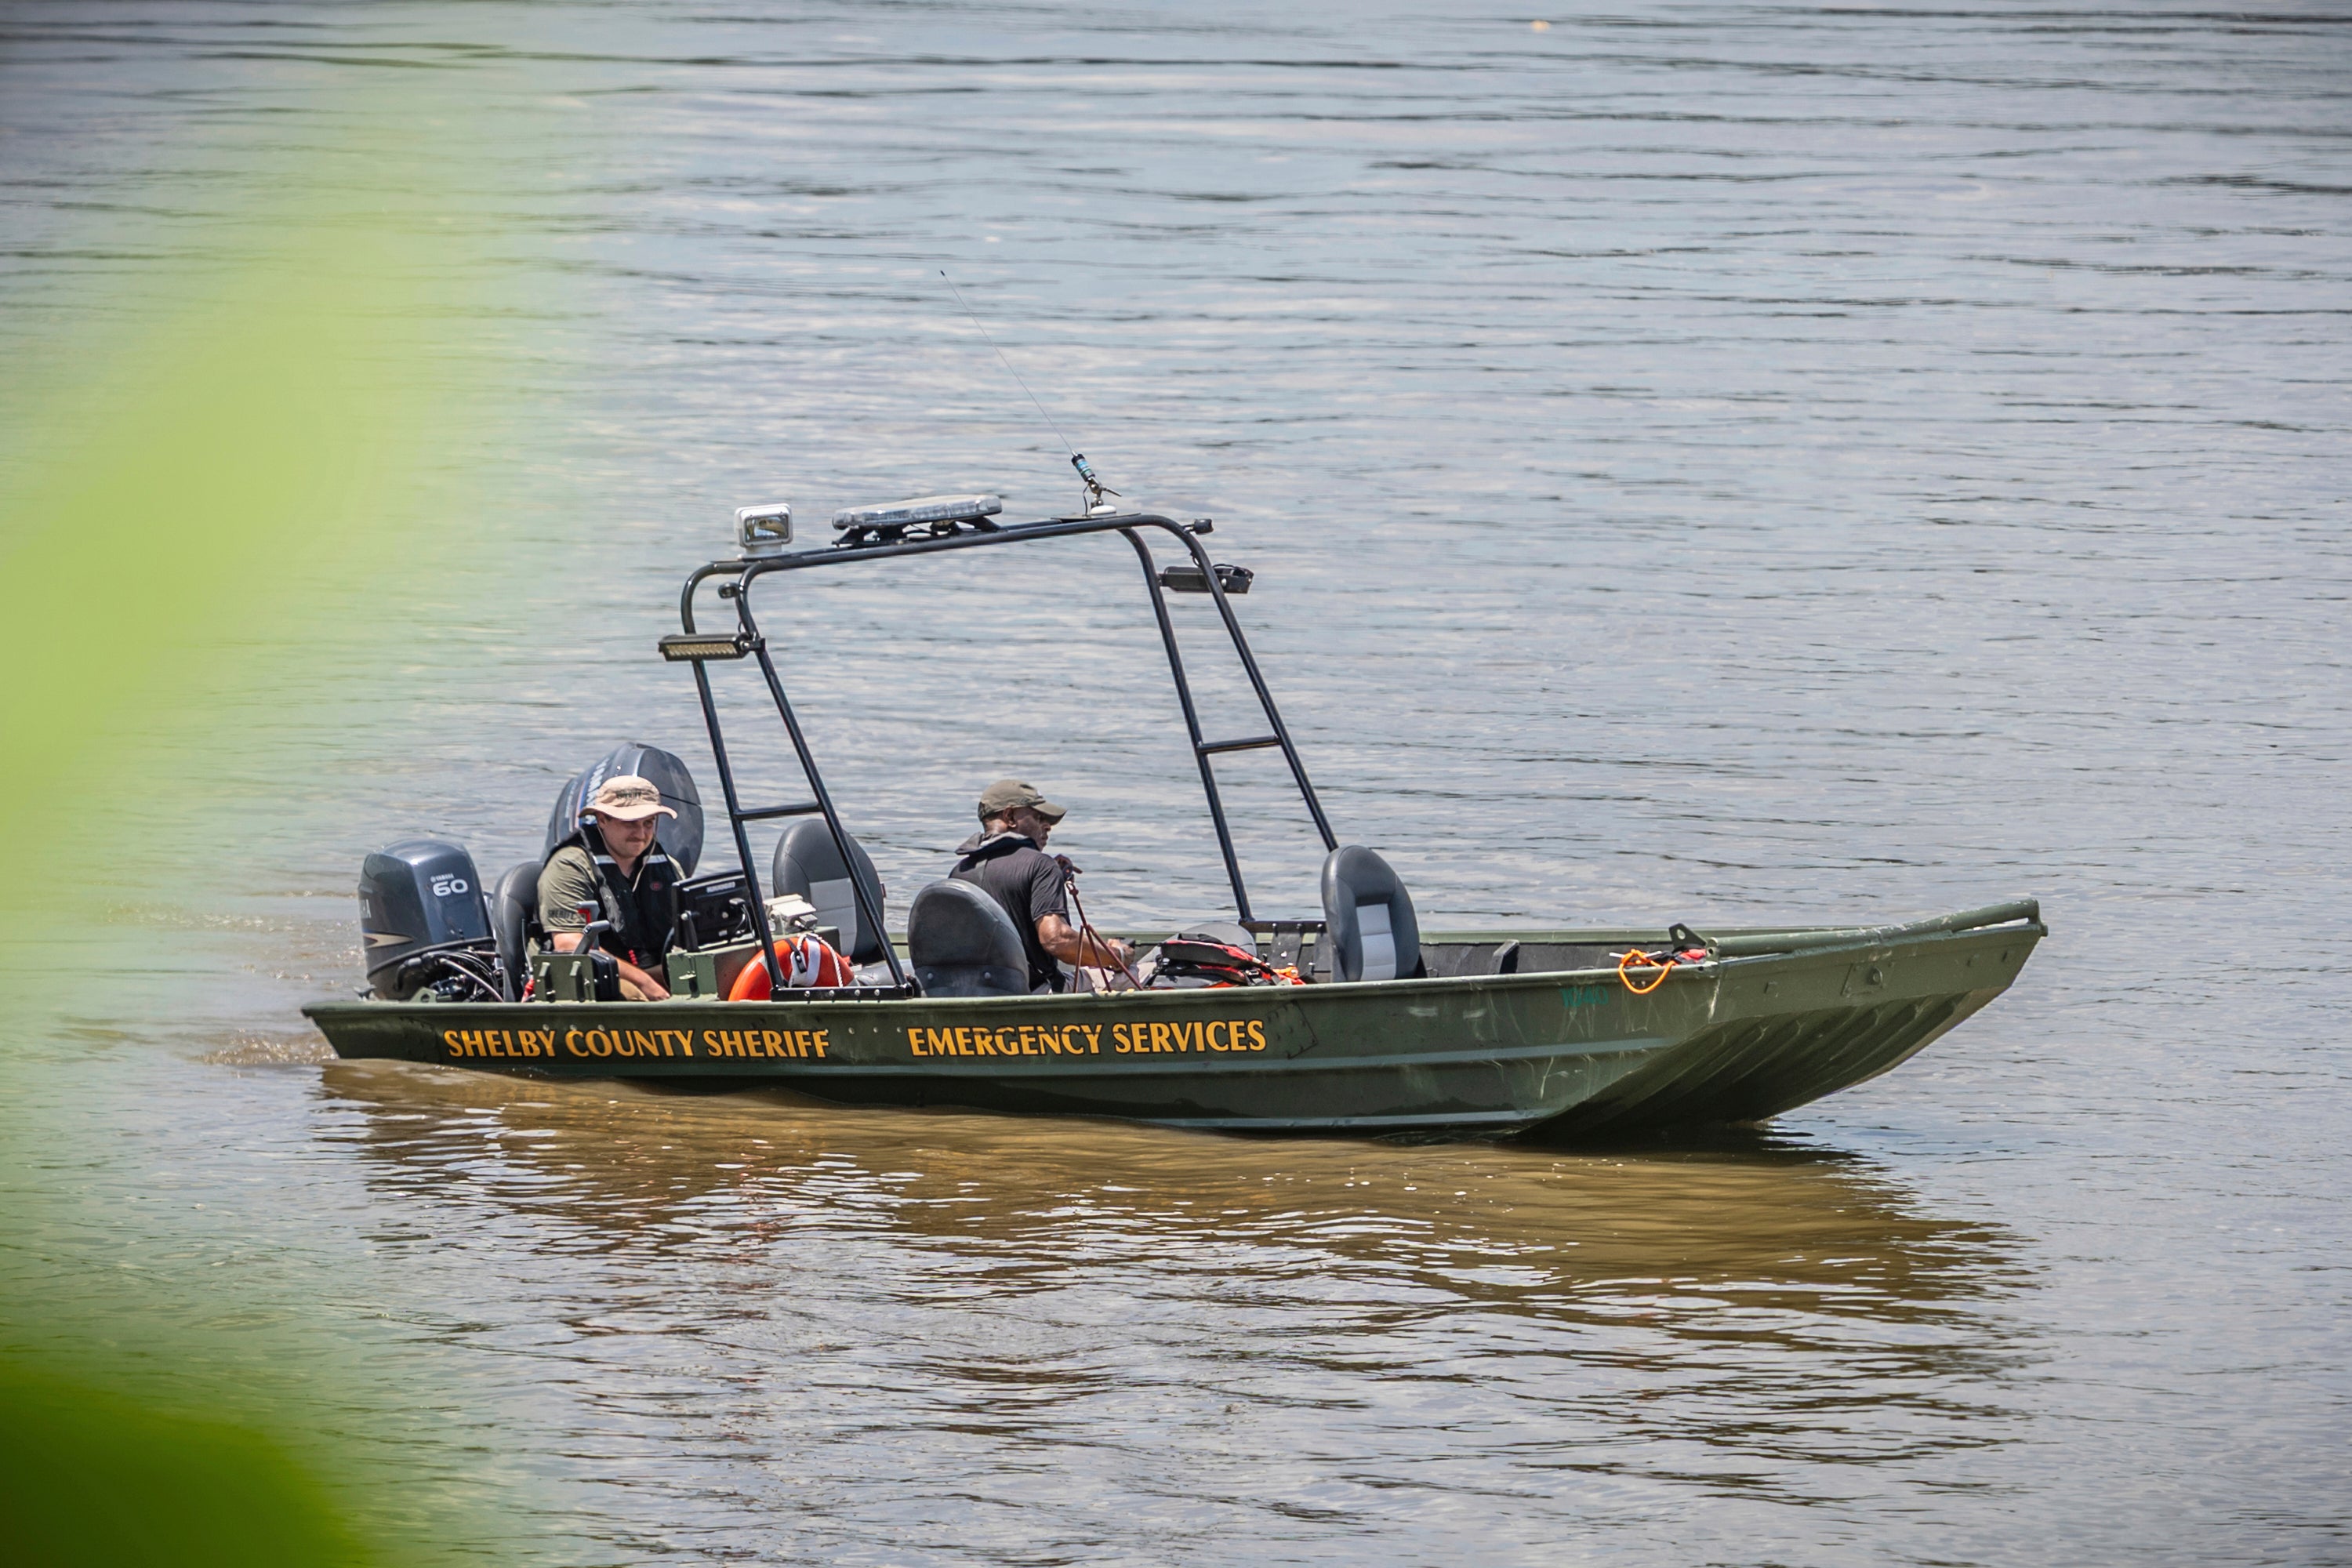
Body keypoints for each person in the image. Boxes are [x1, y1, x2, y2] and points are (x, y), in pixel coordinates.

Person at [951, 779, 1131, 993]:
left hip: (974, 990)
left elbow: (1006, 902)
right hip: (1034, 991)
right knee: (1148, 972)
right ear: (1009, 817)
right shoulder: (1040, 865)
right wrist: (1117, 955)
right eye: (1038, 817)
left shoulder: (959, 873)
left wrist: (1049, 881)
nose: (1048, 826)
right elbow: (1057, 940)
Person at [539, 775, 681, 1001]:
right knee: (634, 995)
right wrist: (644, 983)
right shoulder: (570, 866)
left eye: (648, 823)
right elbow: (568, 942)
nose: (641, 834)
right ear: (602, 819)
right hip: (591, 978)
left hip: (650, 967)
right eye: (630, 823)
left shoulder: (666, 865)